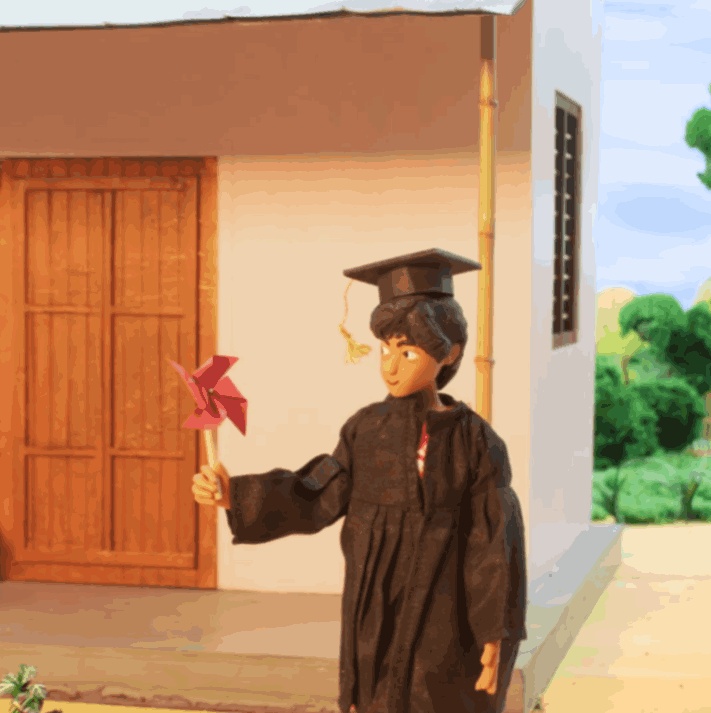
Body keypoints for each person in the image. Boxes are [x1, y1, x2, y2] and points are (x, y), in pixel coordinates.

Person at [192, 248, 527, 713]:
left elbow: (494, 542)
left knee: (435, 693)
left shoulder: (477, 443)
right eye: (386, 349)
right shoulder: (366, 430)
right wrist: (237, 495)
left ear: (449, 353)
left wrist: (495, 630)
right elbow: (317, 492)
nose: (390, 365)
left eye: (407, 352)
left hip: (444, 608)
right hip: (374, 606)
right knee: (374, 692)